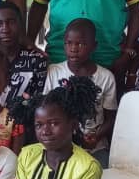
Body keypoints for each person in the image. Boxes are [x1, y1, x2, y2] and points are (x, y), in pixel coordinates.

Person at [44, 19, 118, 167]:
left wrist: (96, 136)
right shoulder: (54, 72)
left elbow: (111, 118)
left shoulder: (106, 77)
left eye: (81, 44)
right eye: (68, 43)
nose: (73, 49)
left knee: (98, 174)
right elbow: (46, 111)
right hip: (60, 146)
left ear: (94, 46)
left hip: (95, 148)